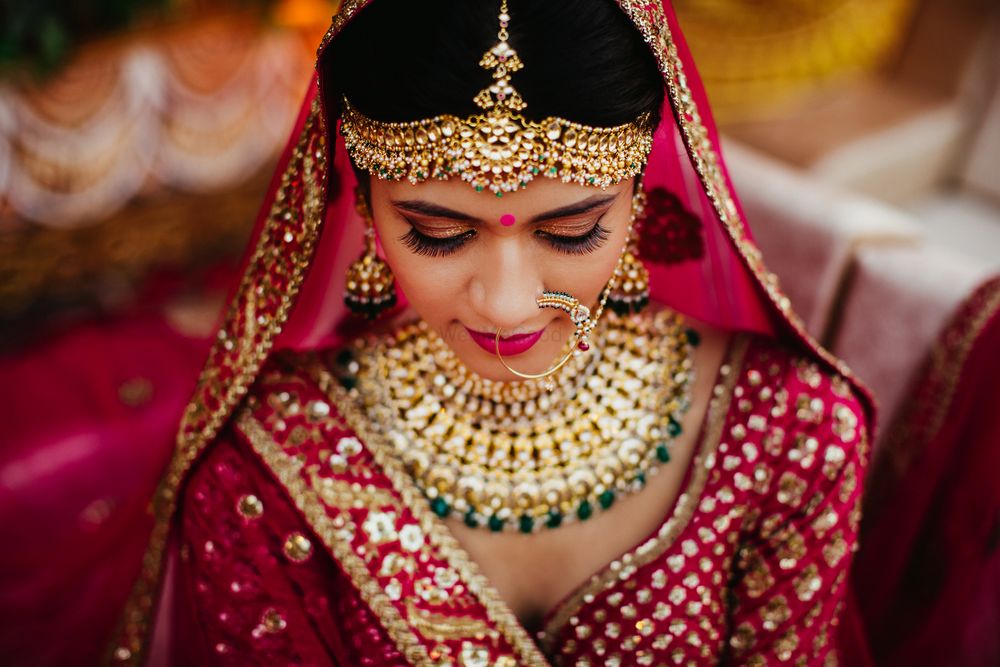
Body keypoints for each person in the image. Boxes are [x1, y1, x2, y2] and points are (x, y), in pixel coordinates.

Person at [106, 1, 875, 664]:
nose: (507, 306)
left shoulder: (794, 430)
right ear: (362, 205)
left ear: (643, 193)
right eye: (439, 234)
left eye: (572, 231)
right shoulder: (264, 467)